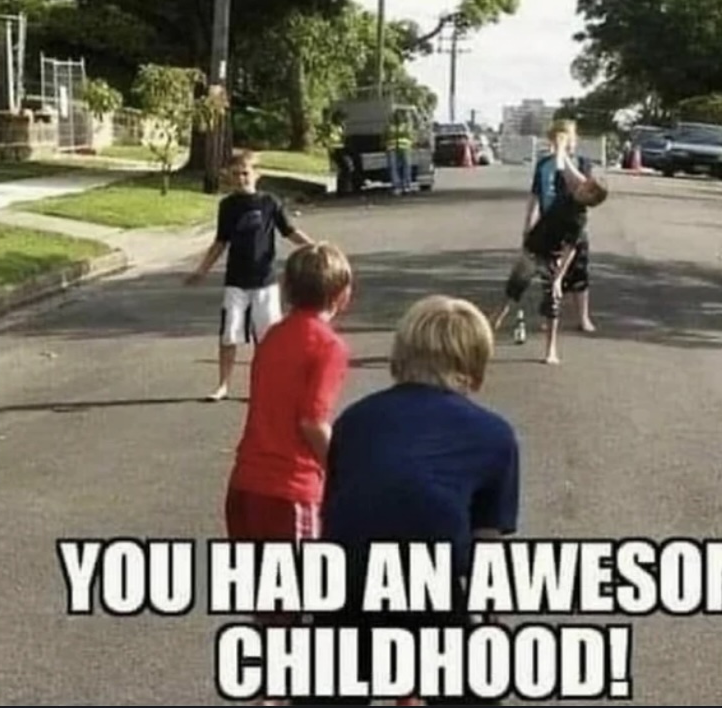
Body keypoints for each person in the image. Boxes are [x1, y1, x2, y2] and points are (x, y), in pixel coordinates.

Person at [297, 296, 521, 707]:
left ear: (400, 355)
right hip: (429, 581)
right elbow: (488, 548)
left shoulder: (355, 420)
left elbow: (340, 510)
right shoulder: (495, 436)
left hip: (349, 579)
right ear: (474, 365)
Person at [225, 242, 353, 707]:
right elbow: (312, 421)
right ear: (343, 296)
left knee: (267, 601)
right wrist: (344, 468)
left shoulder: (274, 336)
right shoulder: (329, 346)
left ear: (285, 287)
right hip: (291, 490)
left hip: (245, 485)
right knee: (296, 603)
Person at [185, 150, 313, 402]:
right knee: (229, 334)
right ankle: (223, 385)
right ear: (229, 177)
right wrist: (202, 270)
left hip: (265, 282)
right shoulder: (228, 206)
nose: (241, 178)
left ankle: (270, 385)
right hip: (236, 282)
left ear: (257, 174)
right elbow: (220, 242)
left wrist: (315, 247)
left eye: (245, 173)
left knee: (268, 339)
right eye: (235, 174)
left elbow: (289, 232)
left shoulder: (270, 202)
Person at [492, 120, 597, 335]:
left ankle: (583, 317)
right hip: (548, 225)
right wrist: (528, 223)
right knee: (544, 272)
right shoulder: (543, 165)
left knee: (578, 273)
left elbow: (584, 184)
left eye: (568, 138)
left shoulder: (581, 163)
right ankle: (548, 315)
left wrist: (564, 156)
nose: (565, 143)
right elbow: (535, 196)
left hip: (572, 226)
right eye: (559, 138)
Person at [523, 156, 608, 364]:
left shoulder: (579, 215)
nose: (580, 187)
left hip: (554, 251)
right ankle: (492, 324)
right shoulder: (564, 185)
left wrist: (559, 278)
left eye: (585, 187)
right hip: (536, 243)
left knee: (555, 293)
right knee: (513, 287)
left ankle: (551, 348)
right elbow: (561, 174)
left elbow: (569, 250)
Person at [386, 108, 414, 196]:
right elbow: (386, 135)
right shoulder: (390, 125)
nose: (399, 117)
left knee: (406, 166)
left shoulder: (407, 125)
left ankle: (406, 186)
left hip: (404, 148)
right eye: (397, 115)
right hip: (392, 148)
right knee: (393, 167)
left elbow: (410, 134)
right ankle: (396, 186)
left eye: (400, 115)